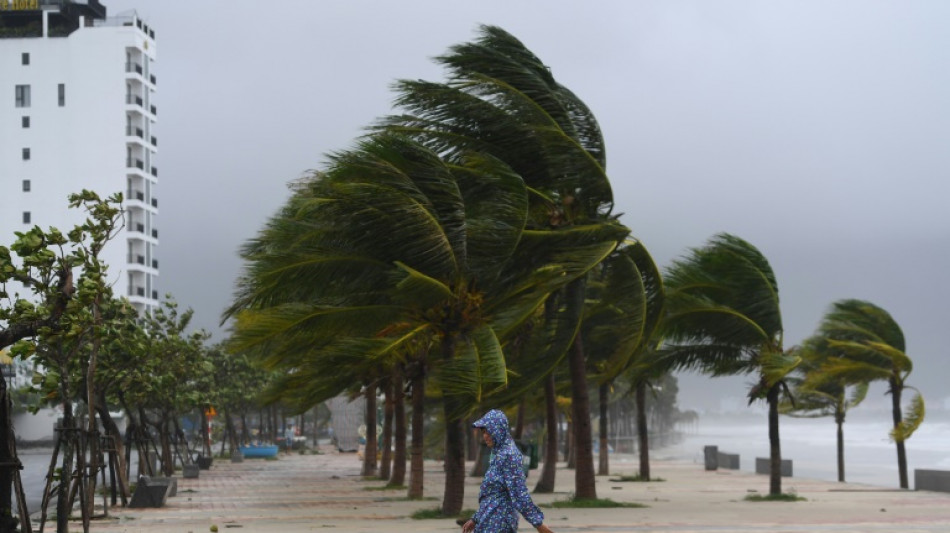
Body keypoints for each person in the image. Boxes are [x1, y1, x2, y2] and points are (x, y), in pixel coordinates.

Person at [461, 409, 555, 533]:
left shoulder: (509, 455)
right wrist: (476, 518)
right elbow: (492, 494)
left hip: (499, 524)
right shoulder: (498, 453)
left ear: (498, 430)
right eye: (483, 432)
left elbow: (519, 493)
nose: (485, 436)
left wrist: (539, 525)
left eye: (488, 432)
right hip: (488, 521)